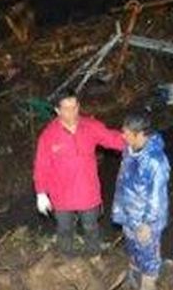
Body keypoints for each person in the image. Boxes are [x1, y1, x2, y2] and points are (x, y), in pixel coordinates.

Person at [33, 95, 125, 258]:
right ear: (57, 110)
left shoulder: (90, 126)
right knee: (64, 229)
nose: (72, 113)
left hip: (87, 191)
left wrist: (136, 143)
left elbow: (112, 138)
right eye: (66, 109)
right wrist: (41, 192)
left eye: (75, 107)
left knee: (91, 227)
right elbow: (41, 166)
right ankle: (67, 260)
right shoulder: (48, 136)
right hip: (61, 194)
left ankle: (94, 257)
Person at [112, 112, 170, 290]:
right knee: (132, 249)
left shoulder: (155, 162)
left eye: (127, 133)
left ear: (140, 135)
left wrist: (147, 223)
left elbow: (156, 198)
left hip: (146, 220)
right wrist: (120, 210)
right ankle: (134, 279)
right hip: (129, 214)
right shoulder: (129, 151)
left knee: (148, 253)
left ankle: (148, 287)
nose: (123, 136)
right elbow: (123, 181)